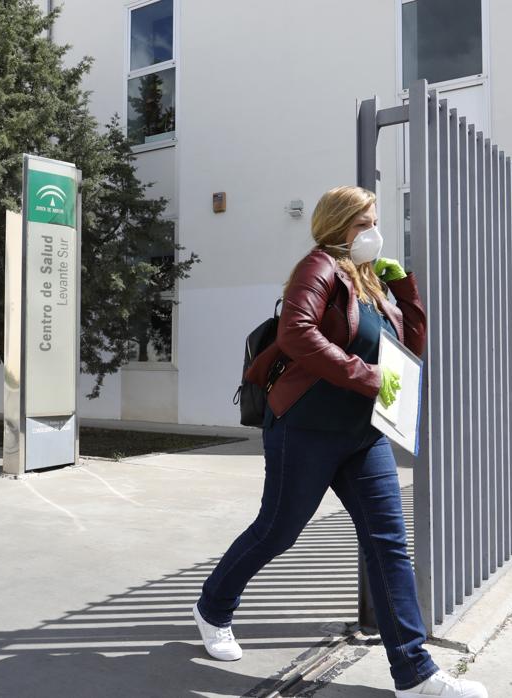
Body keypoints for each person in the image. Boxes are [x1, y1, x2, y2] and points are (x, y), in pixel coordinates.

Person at [191, 186, 488, 698]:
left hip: (363, 434)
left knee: (388, 545)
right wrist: (366, 376)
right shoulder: (318, 267)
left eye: (376, 221)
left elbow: (409, 347)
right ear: (341, 225)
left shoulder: (369, 280)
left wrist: (407, 288)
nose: (375, 231)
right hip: (306, 427)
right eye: (366, 222)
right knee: (277, 532)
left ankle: (414, 675)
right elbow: (296, 333)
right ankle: (213, 608)